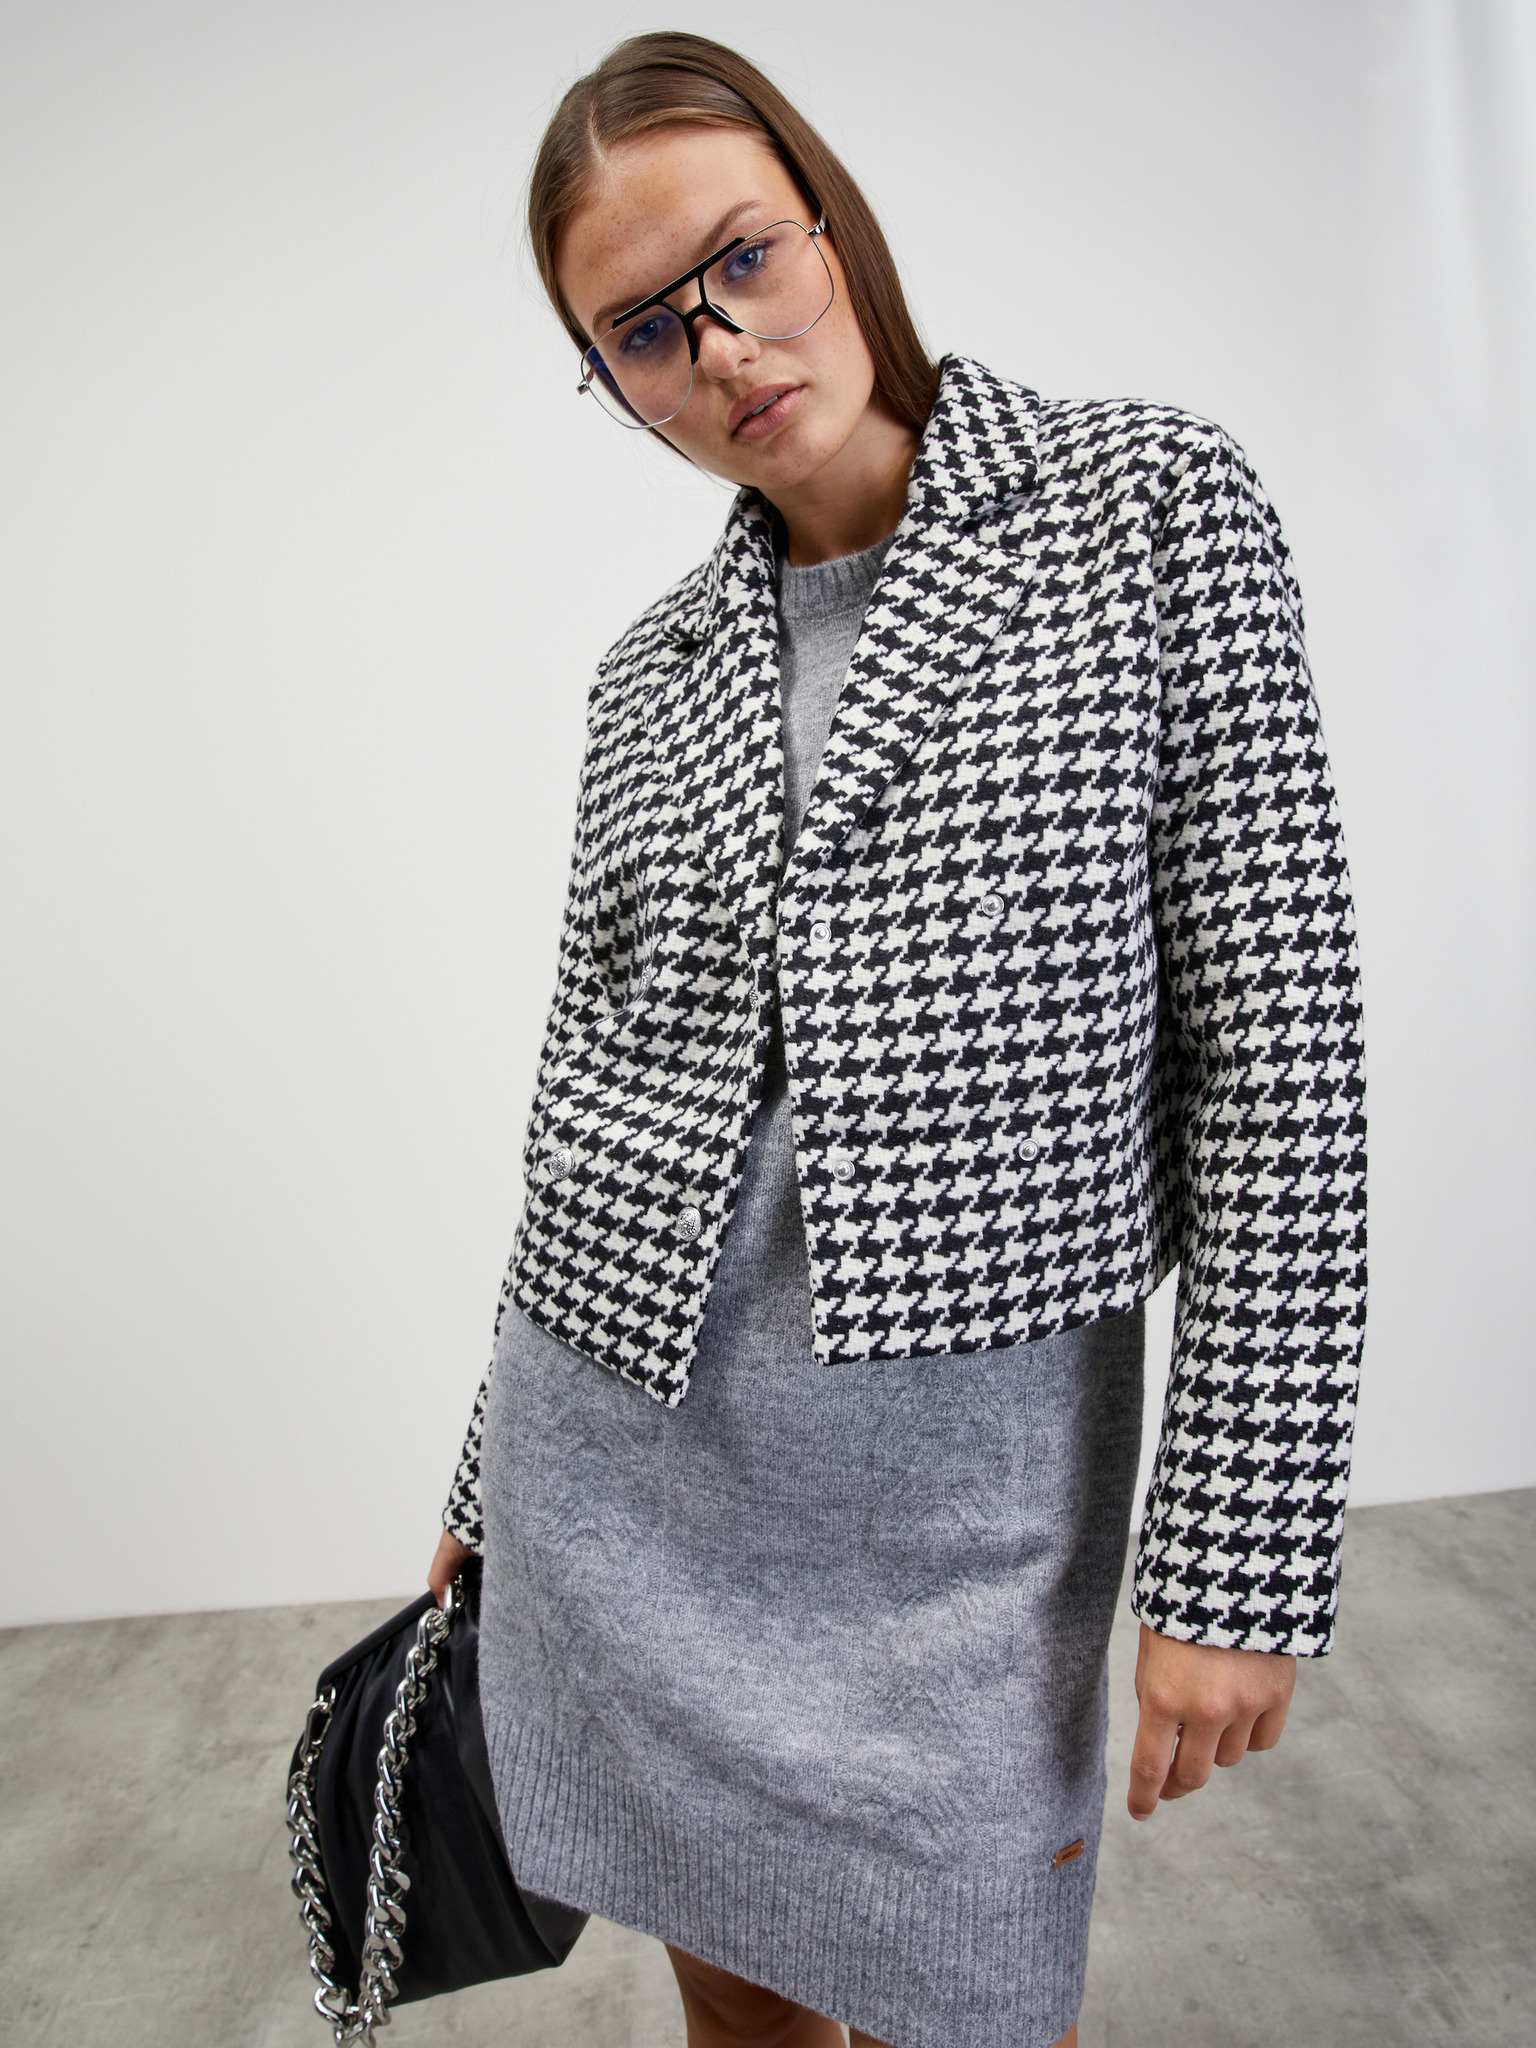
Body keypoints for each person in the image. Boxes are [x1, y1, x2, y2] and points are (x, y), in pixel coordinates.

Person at [427, 32, 1367, 2048]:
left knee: (980, 2010)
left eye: (743, 258)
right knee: (744, 2021)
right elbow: (585, 1104)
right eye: (643, 331)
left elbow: (1283, 1061)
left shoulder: (1149, 512)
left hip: (966, 1520)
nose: (722, 346)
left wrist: (1237, 1558)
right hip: (634, 1485)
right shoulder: (644, 680)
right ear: (611, 379)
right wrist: (490, 1479)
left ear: (828, 218)